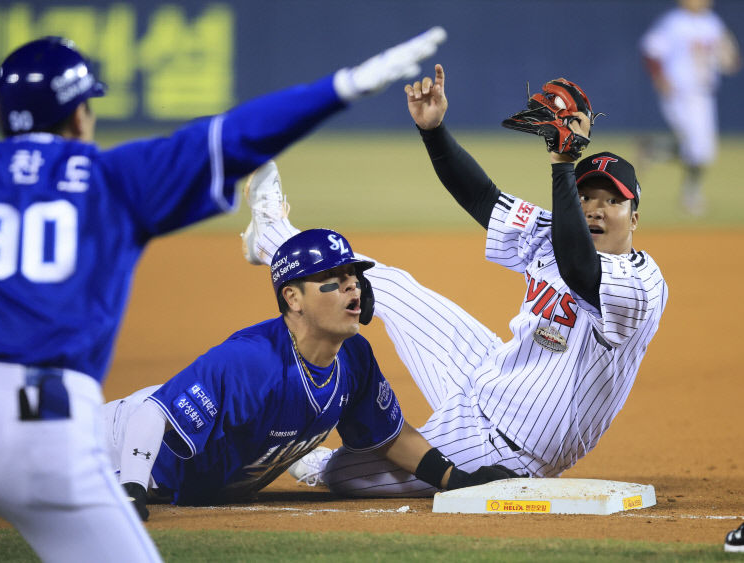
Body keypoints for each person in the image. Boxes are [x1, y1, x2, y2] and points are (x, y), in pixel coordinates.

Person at [0, 29, 448, 561]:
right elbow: (238, 136)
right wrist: (343, 86)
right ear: (80, 117)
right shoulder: (112, 179)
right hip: (42, 435)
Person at [241, 64, 668, 497]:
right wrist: (434, 130)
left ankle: (326, 464)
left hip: (509, 447)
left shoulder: (642, 284)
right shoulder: (554, 232)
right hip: (486, 372)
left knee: (347, 476)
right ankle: (271, 236)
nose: (596, 208)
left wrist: (563, 164)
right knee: (391, 286)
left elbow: (581, 270)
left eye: (612, 200)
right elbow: (482, 196)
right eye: (586, 196)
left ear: (634, 216)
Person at [105, 227, 518, 519]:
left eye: (353, 278)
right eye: (333, 281)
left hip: (198, 477)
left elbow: (391, 437)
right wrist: (133, 489)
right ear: (293, 298)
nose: (353, 288)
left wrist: (454, 477)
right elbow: (152, 413)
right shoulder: (251, 361)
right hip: (112, 449)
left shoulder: (353, 355)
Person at [639, 0, 741, 215]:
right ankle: (691, 195)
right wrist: (659, 78)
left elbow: (727, 55)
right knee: (699, 147)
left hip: (703, 93)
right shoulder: (674, 22)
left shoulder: (713, 23)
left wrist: (728, 59)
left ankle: (654, 149)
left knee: (702, 149)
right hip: (679, 92)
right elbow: (651, 49)